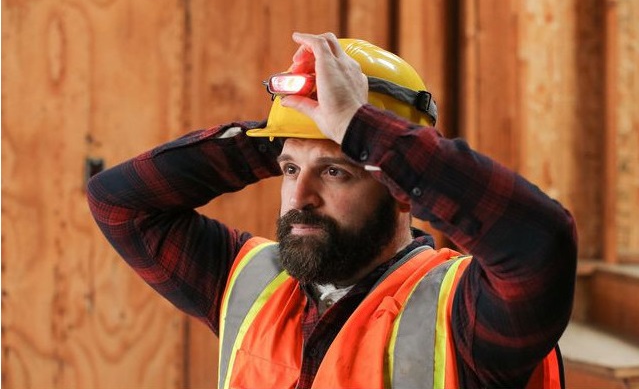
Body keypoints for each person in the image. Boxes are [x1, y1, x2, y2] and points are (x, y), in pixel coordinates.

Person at [87, 32, 577, 389]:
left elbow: (539, 242)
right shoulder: (250, 284)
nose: (299, 198)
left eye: (335, 172)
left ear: (399, 189)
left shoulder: (465, 316)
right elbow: (120, 204)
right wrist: (291, 128)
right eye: (289, 169)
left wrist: (362, 129)